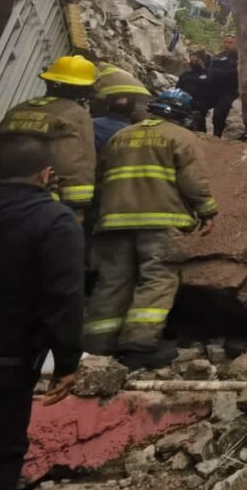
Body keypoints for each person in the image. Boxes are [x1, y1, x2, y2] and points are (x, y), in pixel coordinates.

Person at [83, 89, 219, 369]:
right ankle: (138, 345)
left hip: (114, 222)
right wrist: (207, 211)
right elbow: (193, 181)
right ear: (183, 113)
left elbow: (99, 179)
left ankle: (96, 346)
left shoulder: (120, 137)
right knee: (157, 278)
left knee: (112, 280)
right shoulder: (181, 137)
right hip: (160, 220)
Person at [0, 135, 83, 490]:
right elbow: (63, 295)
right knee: (0, 451)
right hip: (6, 362)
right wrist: (66, 363)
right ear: (45, 174)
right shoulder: (53, 220)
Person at [0, 55, 98, 218]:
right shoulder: (75, 114)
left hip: (0, 195)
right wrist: (78, 206)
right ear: (82, 89)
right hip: (46, 201)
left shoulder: (18, 109)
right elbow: (76, 162)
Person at [202, 35, 238, 138]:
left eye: (230, 43)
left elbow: (235, 73)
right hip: (214, 88)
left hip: (229, 90)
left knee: (219, 114)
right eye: (225, 42)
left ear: (236, 44)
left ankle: (217, 135)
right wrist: (222, 73)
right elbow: (210, 70)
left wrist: (220, 72)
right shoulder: (219, 55)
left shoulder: (239, 57)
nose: (227, 45)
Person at [176, 50, 212, 132]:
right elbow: (178, 89)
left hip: (199, 107)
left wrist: (204, 107)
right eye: (192, 61)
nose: (193, 63)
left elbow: (212, 93)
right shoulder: (185, 75)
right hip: (183, 105)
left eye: (196, 61)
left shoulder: (209, 74)